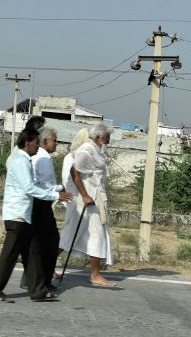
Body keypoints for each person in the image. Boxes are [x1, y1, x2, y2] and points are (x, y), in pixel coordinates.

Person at [0, 128, 72, 303]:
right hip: (17, 215)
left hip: (23, 216)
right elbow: (29, 188)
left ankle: (38, 290)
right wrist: (55, 195)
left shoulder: (24, 159)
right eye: (35, 143)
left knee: (31, 253)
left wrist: (55, 190)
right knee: (9, 255)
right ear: (27, 143)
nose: (37, 146)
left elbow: (33, 186)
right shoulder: (21, 160)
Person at [58, 122, 115, 287]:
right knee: (70, 234)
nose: (108, 142)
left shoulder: (97, 151)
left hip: (95, 200)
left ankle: (95, 274)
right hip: (83, 202)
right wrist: (84, 195)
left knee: (96, 234)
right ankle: (44, 266)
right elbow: (74, 171)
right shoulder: (87, 150)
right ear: (98, 137)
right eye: (106, 139)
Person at [20, 127, 63, 291]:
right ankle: (42, 280)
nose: (56, 143)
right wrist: (60, 190)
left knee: (38, 242)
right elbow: (46, 185)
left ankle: (32, 279)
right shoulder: (43, 158)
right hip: (41, 201)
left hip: (38, 201)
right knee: (51, 242)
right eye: (55, 140)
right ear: (45, 141)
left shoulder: (38, 156)